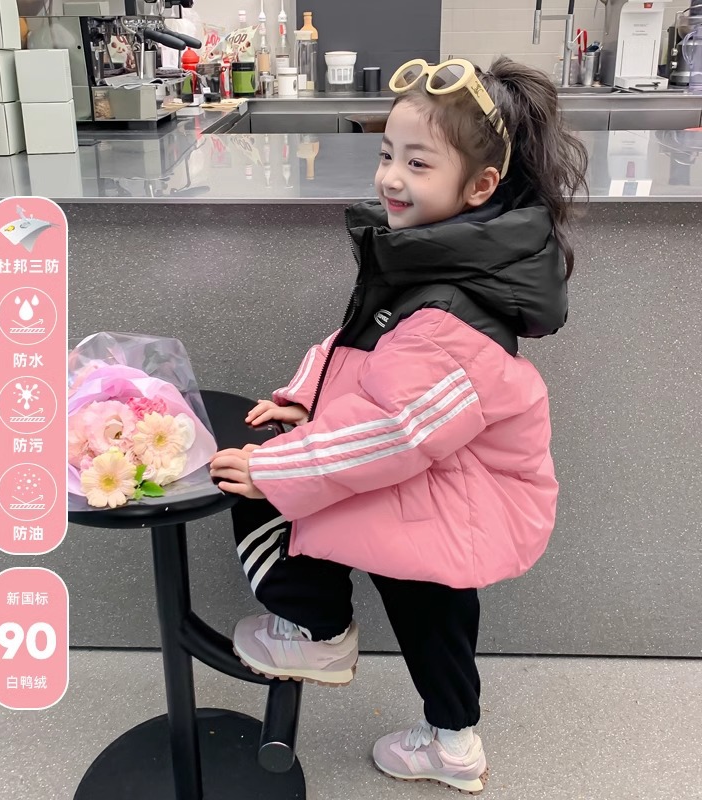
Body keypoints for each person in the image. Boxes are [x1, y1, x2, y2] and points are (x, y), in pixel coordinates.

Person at [210, 55, 588, 795]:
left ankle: (323, 639)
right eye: (387, 154)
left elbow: (395, 431)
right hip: (438, 482)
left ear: (479, 185)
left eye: (417, 163)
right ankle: (438, 728)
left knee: (266, 492)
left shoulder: (450, 309)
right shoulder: (444, 256)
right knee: (429, 615)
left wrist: (274, 468)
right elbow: (362, 349)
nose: (390, 177)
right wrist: (305, 400)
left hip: (444, 496)